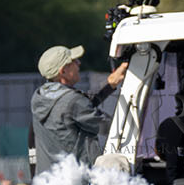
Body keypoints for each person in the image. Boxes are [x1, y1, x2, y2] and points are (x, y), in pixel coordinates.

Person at [31, 44, 128, 175]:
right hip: (78, 182)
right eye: (74, 61)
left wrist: (109, 84)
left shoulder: (39, 97)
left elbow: (77, 105)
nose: (79, 63)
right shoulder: (73, 101)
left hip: (51, 182)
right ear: (63, 72)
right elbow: (108, 127)